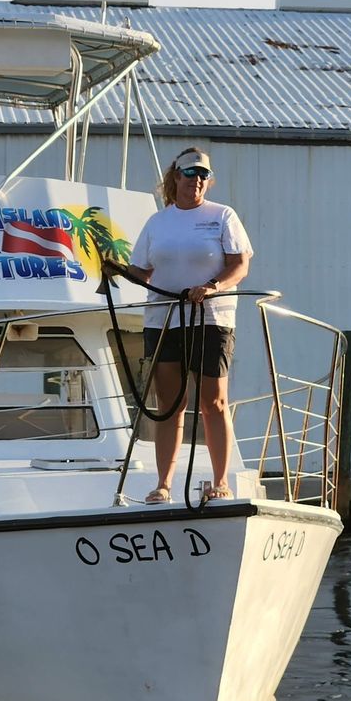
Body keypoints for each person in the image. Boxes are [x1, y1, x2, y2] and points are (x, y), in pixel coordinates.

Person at [119, 147, 252, 504]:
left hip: (211, 317)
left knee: (214, 402)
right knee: (169, 403)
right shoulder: (158, 222)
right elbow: (142, 271)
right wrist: (115, 267)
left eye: (203, 175)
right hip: (164, 319)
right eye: (189, 173)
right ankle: (163, 484)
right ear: (175, 176)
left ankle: (220, 480)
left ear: (209, 181)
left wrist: (212, 287)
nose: (196, 180)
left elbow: (240, 264)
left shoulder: (223, 216)